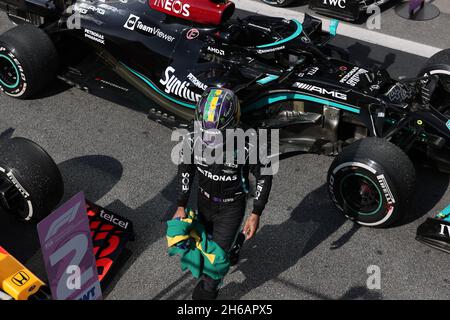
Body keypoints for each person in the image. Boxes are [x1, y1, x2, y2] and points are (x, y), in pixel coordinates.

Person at [172, 87, 273, 300]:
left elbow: (265, 174)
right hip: (204, 203)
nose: (209, 139)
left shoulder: (250, 141)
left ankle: (206, 294)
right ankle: (235, 244)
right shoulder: (191, 137)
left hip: (231, 208)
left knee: (214, 266)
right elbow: (185, 169)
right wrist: (181, 205)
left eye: (216, 134)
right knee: (203, 245)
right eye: (205, 132)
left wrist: (256, 212)